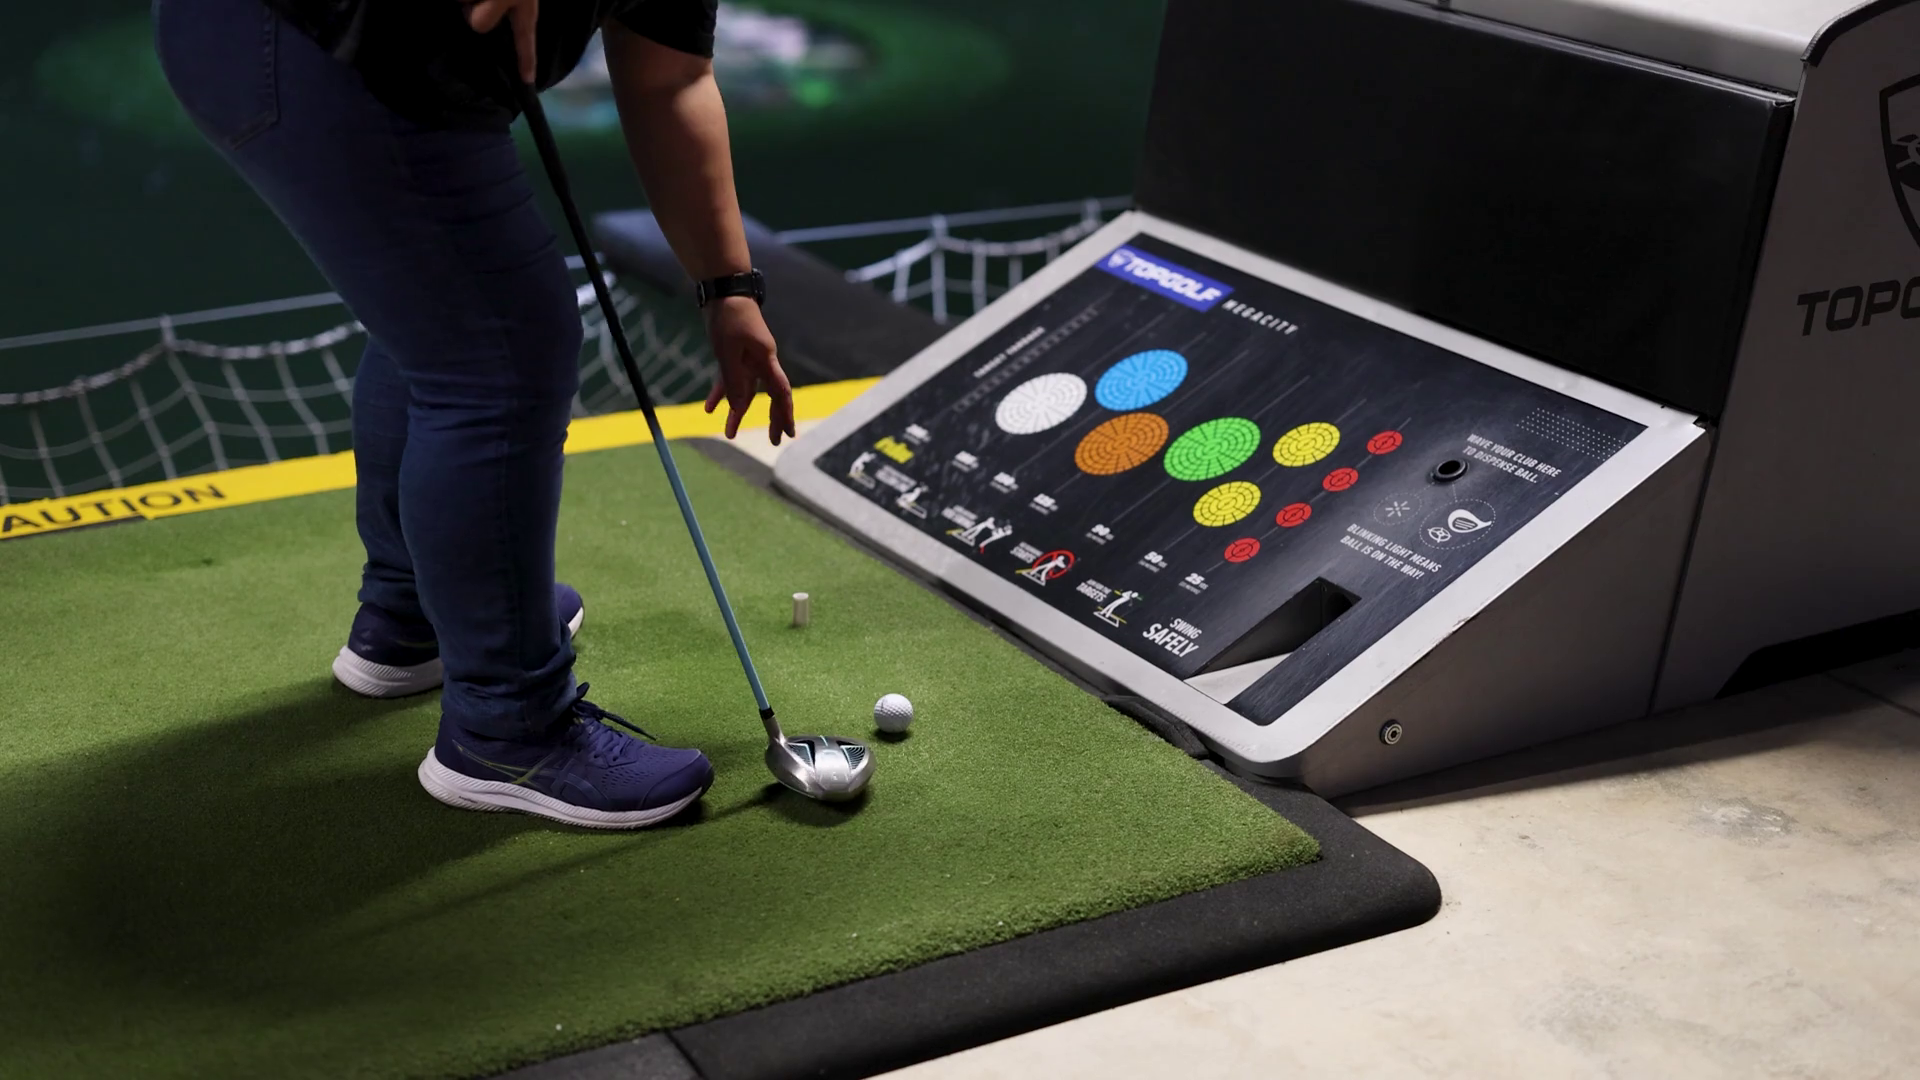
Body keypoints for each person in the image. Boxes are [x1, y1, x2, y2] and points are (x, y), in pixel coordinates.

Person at [153, 0, 796, 829]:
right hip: (315, 39)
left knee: (448, 319)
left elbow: (668, 80)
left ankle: (415, 616)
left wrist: (729, 289)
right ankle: (508, 728)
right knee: (501, 346)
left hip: (332, 47)